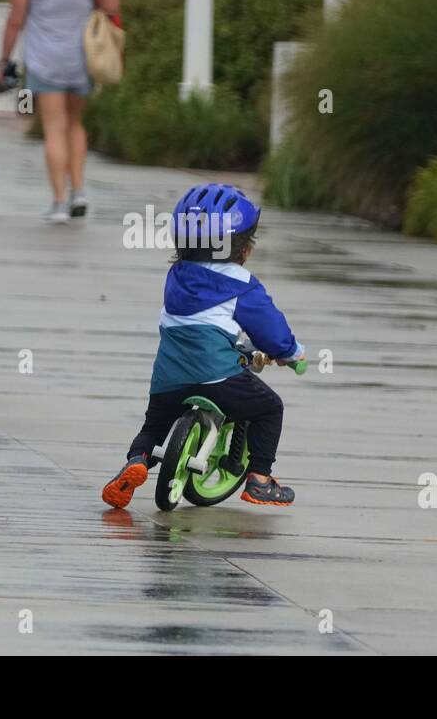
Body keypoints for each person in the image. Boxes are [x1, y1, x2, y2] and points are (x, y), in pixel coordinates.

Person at [101, 184, 306, 509]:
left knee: (153, 427)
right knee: (270, 409)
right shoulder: (242, 285)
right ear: (243, 249)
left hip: (168, 378)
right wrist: (291, 353)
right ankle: (260, 481)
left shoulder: (177, 276)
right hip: (217, 377)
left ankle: (136, 462)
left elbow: (203, 321)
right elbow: (272, 332)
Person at [0, 0, 120, 223]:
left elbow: (15, 21)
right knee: (76, 125)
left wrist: (4, 60)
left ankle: (59, 201)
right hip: (81, 59)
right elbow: (112, 4)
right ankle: (79, 191)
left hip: (46, 61)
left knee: (55, 128)